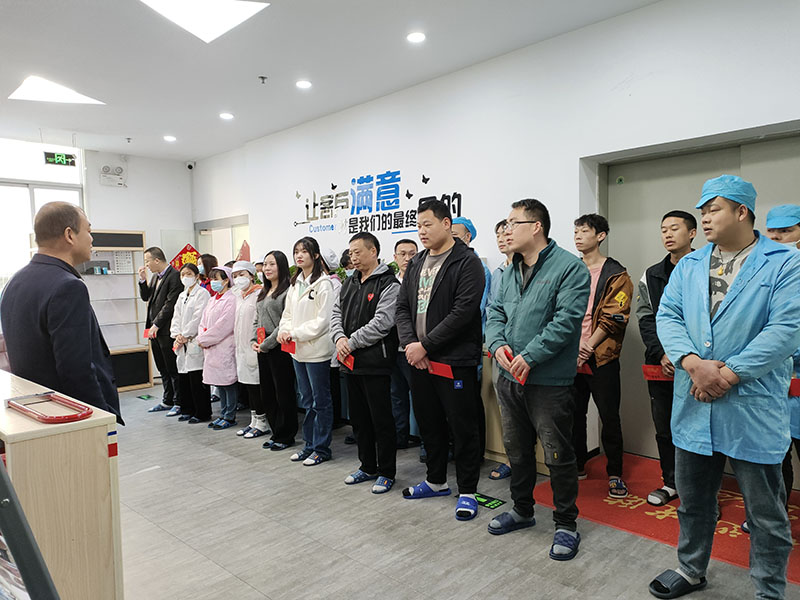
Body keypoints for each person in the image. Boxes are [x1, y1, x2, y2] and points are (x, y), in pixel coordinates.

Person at [649, 175, 800, 600]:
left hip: (752, 405)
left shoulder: (785, 262)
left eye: (713, 209)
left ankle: (769, 590)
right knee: (694, 501)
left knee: (766, 513)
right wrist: (693, 364)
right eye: (702, 211)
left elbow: (786, 329)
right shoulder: (691, 265)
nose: (705, 218)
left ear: (742, 211)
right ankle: (690, 568)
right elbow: (668, 316)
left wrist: (727, 375)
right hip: (694, 400)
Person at [485, 199, 589, 561]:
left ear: (536, 227)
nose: (506, 229)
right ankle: (522, 510)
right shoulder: (508, 271)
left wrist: (530, 356)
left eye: (512, 222)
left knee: (557, 454)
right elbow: (494, 313)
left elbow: (566, 321)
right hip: (508, 377)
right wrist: (496, 344)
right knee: (516, 449)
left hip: (548, 380)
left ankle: (566, 524)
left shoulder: (569, 268)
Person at [395, 199, 485, 521]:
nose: (421, 231)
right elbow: (402, 308)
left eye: (427, 224)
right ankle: (435, 481)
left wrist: (426, 346)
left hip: (453, 360)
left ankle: (468, 491)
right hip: (419, 360)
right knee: (429, 423)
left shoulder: (467, 262)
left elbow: (463, 312)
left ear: (446, 224)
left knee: (462, 427)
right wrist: (411, 344)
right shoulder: (418, 262)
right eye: (418, 226)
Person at [0, 202, 122, 423]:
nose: (92, 239)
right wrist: (100, 418)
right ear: (69, 235)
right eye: (88, 231)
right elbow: (76, 369)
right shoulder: (68, 286)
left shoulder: (14, 282)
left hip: (35, 410)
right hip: (70, 415)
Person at [332, 232, 401, 494]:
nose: (353, 257)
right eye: (351, 253)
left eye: (358, 252)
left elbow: (383, 322)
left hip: (375, 362)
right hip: (350, 361)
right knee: (359, 419)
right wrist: (339, 338)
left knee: (380, 419)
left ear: (373, 252)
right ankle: (367, 466)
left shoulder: (388, 283)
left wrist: (351, 342)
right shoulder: (349, 282)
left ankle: (386, 472)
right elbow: (335, 313)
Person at [636, 210, 696, 506]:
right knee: (665, 427)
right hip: (661, 364)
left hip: (697, 365)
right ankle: (671, 482)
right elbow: (646, 317)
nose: (668, 234)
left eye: (674, 228)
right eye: (663, 230)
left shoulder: (707, 268)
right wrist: (661, 352)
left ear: (692, 233)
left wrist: (686, 355)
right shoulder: (651, 274)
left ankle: (701, 491)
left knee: (698, 429)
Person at [571, 214, 633, 498]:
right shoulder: (571, 269)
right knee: (574, 415)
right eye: (576, 231)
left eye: (584, 231)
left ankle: (615, 473)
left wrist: (588, 347)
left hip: (601, 357)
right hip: (570, 357)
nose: (578, 236)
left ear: (601, 236)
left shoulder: (616, 274)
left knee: (609, 416)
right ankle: (578, 465)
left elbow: (615, 317)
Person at [278, 237, 336, 466]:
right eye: (296, 252)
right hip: (297, 351)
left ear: (316, 255)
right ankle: (309, 445)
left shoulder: (324, 284)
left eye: (304, 251)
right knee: (307, 399)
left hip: (317, 351)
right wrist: (284, 330)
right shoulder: (295, 283)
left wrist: (295, 333)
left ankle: (321, 448)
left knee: (320, 401)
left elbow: (323, 321)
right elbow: (287, 314)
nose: (299, 255)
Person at [765, 204, 800, 529]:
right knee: (776, 456)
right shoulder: (766, 272)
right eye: (772, 232)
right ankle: (776, 514)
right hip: (773, 386)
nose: (777, 238)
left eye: (786, 231)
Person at [451, 216, 491, 463]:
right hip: (449, 346)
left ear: (468, 237)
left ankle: (475, 454)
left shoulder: (476, 267)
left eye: (455, 235)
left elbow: (474, 309)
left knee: (470, 403)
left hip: (468, 344)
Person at [251, 251, 297, 451]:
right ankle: (276, 431)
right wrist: (254, 340)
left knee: (283, 393)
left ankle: (286, 435)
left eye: (272, 264)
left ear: (282, 266)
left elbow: (284, 323)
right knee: (267, 393)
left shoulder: (288, 291)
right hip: (262, 347)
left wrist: (266, 344)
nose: (267, 268)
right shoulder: (264, 291)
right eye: (265, 264)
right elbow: (256, 319)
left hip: (280, 347)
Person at [139, 246, 183, 415]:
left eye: (147, 261)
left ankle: (178, 402)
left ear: (157, 260)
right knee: (162, 367)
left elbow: (170, 305)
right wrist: (142, 281)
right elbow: (147, 297)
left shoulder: (174, 276)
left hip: (165, 330)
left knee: (172, 367)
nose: (146, 265)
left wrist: (156, 324)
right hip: (154, 330)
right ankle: (167, 400)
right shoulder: (155, 277)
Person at [390, 238, 421, 451]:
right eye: (402, 254)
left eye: (412, 254)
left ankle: (427, 444)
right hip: (394, 349)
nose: (407, 258)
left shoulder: (423, 281)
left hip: (417, 349)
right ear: (395, 257)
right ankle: (399, 437)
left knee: (421, 397)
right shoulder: (389, 283)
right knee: (396, 396)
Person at [197, 266, 238, 429]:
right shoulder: (212, 299)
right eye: (211, 279)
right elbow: (203, 322)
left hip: (224, 344)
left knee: (228, 382)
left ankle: (230, 416)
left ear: (226, 280)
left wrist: (205, 339)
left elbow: (224, 325)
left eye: (216, 279)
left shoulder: (231, 299)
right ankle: (223, 413)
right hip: (210, 346)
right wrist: (202, 337)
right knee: (219, 382)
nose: (213, 282)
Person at [170, 263, 212, 423]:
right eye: (182, 274)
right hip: (181, 342)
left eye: (188, 274)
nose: (185, 277)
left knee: (196, 379)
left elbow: (198, 317)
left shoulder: (202, 294)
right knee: (184, 377)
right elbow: (176, 317)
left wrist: (186, 334)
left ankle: (202, 413)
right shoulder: (182, 295)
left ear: (196, 276)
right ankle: (187, 409)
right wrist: (177, 334)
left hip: (194, 340)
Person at [488, 218, 513, 481]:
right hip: (499, 351)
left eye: (506, 233)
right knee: (505, 406)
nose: (502, 239)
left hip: (524, 351)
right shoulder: (497, 273)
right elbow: (492, 310)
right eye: (498, 235)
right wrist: (495, 343)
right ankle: (510, 458)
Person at [230, 261, 264, 438]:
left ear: (251, 275)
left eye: (242, 274)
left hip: (254, 347)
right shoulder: (239, 296)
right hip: (241, 348)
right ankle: (253, 421)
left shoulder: (259, 294)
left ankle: (262, 422)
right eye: (235, 276)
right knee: (248, 386)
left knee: (257, 386)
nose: (238, 279)